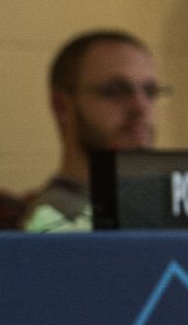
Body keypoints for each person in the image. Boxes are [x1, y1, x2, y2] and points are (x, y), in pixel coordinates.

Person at [24, 30, 163, 227]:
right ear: (61, 105)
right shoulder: (53, 221)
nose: (140, 107)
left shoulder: (163, 205)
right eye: (115, 91)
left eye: (149, 91)